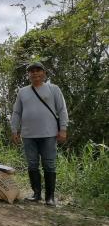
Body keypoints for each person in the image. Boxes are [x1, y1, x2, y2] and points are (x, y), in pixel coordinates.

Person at [11, 61, 68, 206]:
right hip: (28, 135)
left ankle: (50, 197)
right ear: (28, 75)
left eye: (38, 70)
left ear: (44, 73)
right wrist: (14, 130)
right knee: (32, 164)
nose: (35, 73)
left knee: (49, 165)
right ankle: (36, 194)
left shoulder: (53, 89)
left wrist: (63, 129)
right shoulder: (23, 91)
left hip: (49, 134)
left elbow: (62, 110)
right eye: (32, 71)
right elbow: (16, 112)